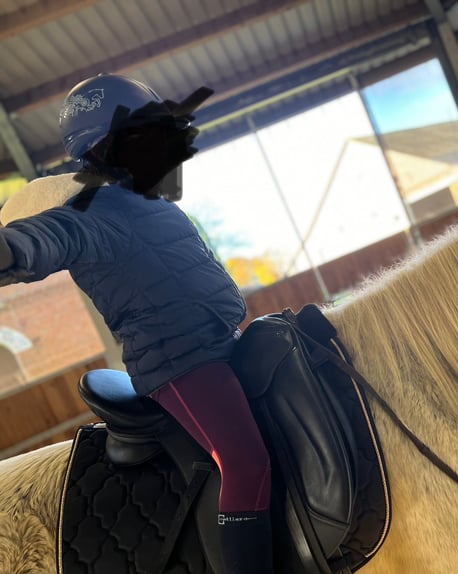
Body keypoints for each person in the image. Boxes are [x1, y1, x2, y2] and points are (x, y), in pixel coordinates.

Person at [0, 73, 273, 574]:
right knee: (245, 463)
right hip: (180, 364)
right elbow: (43, 238)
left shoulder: (147, 201)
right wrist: (12, 248)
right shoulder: (86, 210)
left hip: (215, 342)